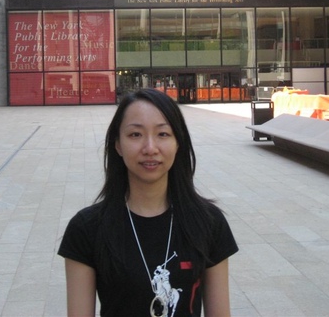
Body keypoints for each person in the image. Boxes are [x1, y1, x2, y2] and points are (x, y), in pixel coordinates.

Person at [58, 88, 238, 317]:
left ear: (178, 143)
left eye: (163, 134)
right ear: (117, 145)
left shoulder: (209, 222)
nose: (150, 148)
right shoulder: (86, 228)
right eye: (135, 135)